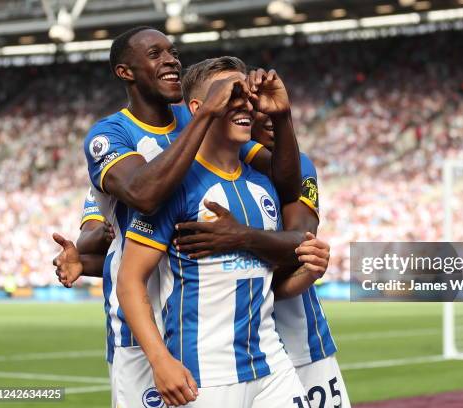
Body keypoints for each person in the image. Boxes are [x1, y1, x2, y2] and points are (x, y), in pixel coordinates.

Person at [53, 26, 302, 408]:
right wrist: (85, 261)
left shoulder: (210, 124)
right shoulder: (110, 135)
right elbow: (143, 197)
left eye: (172, 51)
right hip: (139, 329)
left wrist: (280, 119)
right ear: (126, 72)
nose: (171, 60)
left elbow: (285, 178)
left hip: (204, 318)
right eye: (155, 54)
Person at [117, 56, 311, 407]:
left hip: (272, 365)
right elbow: (130, 281)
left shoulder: (263, 184)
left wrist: (282, 115)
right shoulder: (173, 185)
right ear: (198, 107)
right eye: (231, 94)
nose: (245, 105)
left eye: (247, 96)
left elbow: (269, 268)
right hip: (205, 376)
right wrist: (161, 362)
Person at [175, 109, 351, 407]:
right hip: (228, 356)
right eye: (258, 112)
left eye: (279, 113)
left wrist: (239, 236)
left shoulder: (299, 167)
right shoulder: (192, 176)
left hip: (301, 342)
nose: (270, 121)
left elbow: (302, 239)